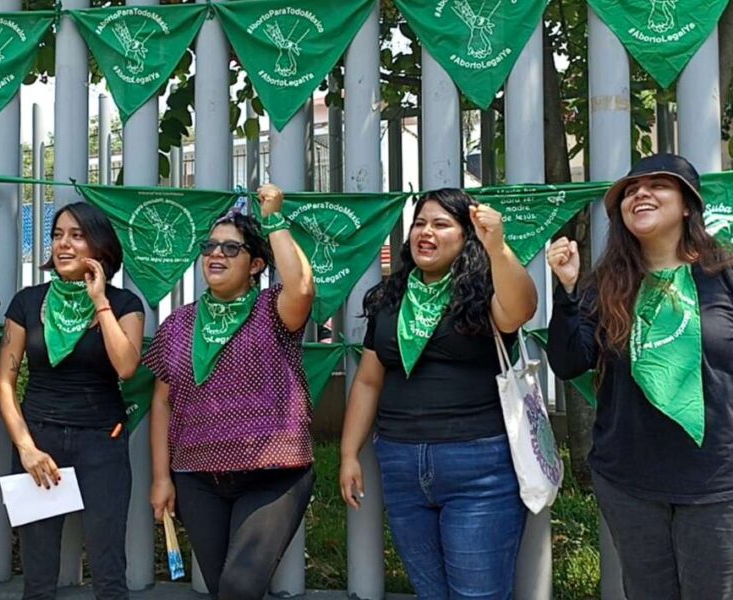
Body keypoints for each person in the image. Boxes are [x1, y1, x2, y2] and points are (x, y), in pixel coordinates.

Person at [546, 154, 733, 599]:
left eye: (657, 186)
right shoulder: (604, 284)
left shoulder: (722, 277)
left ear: (688, 206)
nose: (641, 194)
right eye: (631, 190)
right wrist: (567, 290)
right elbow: (570, 362)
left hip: (715, 478)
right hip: (630, 478)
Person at [339, 188, 537, 600]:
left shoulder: (484, 293)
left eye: (441, 224)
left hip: (479, 466)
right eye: (420, 223)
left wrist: (497, 247)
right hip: (400, 463)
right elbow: (368, 380)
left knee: (477, 594)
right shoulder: (388, 298)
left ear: (468, 237)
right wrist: (347, 454)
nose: (425, 232)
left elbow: (522, 309)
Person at [146, 184, 315, 600]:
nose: (216, 254)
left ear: (257, 264)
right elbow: (162, 403)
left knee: (239, 588)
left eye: (231, 249)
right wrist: (161, 477)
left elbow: (304, 288)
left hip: (273, 473)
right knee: (223, 588)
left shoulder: (273, 309)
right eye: (210, 246)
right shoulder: (178, 324)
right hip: (197, 477)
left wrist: (273, 218)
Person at [0, 202, 144, 600]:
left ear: (101, 247)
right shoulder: (27, 302)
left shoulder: (124, 305)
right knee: (39, 574)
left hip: (102, 440)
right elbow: (5, 383)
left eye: (77, 235)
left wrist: (100, 300)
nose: (64, 244)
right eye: (58, 234)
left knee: (108, 567)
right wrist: (26, 449)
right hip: (39, 441)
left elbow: (127, 366)